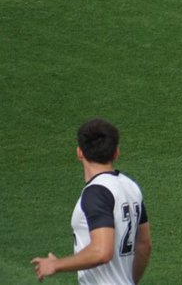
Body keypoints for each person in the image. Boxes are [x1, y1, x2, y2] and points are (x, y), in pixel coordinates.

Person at [31, 118, 152, 284]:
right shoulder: (131, 187)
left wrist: (56, 265)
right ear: (116, 152)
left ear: (79, 152)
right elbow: (144, 245)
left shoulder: (96, 192)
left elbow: (102, 251)